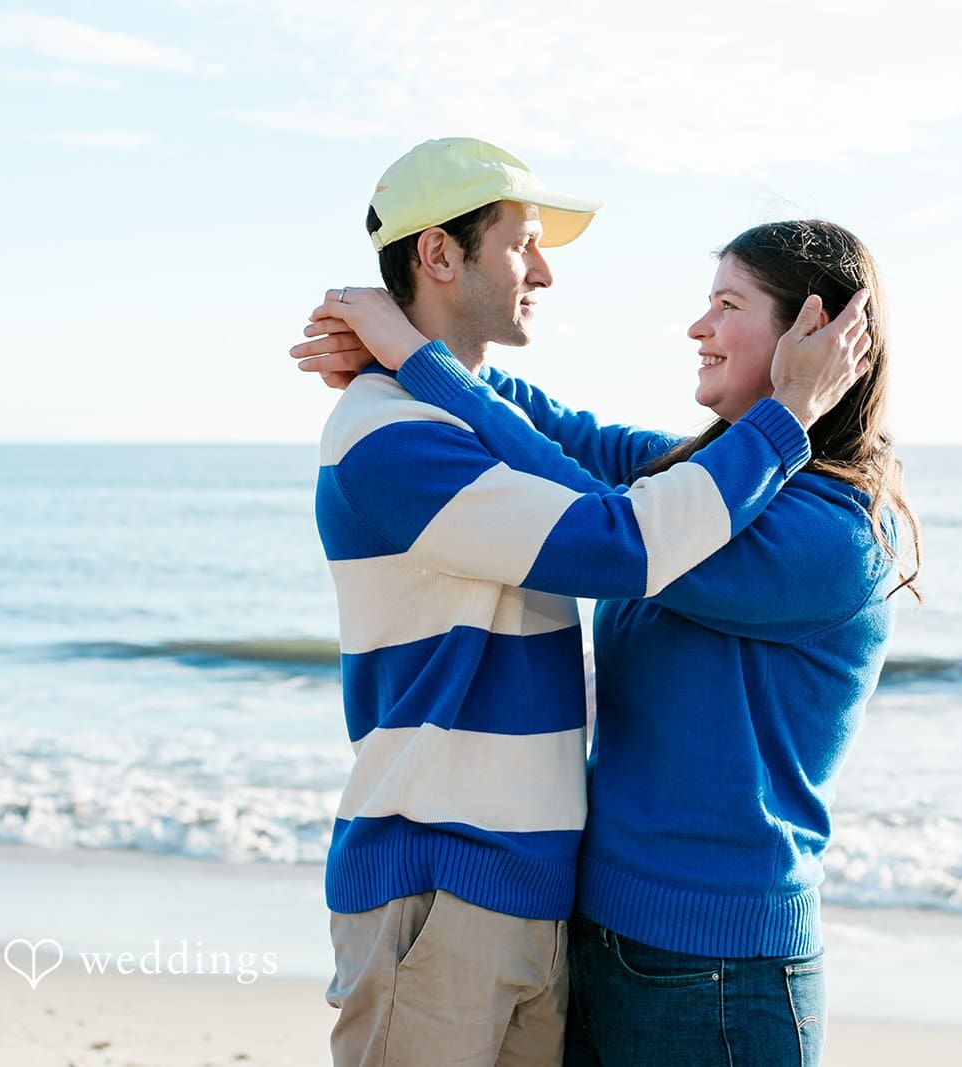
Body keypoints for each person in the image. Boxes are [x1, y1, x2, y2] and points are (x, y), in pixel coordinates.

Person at [304, 137, 874, 1067]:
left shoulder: (824, 530)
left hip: (673, 947)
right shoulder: (394, 439)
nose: (545, 272)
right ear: (439, 256)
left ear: (814, 341)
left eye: (727, 306)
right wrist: (405, 360)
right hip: (459, 886)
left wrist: (412, 351)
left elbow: (622, 528)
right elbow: (593, 493)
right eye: (522, 242)